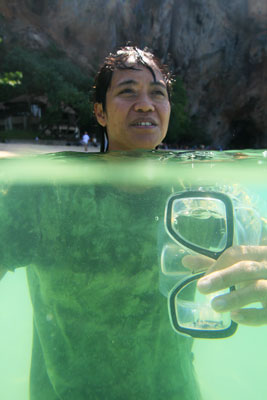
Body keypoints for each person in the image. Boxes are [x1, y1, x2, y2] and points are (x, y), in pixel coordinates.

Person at [0, 46, 266, 400]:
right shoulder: (47, 194)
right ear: (100, 112)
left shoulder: (204, 198)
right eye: (127, 91)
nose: (145, 104)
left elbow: (259, 244)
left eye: (158, 94)